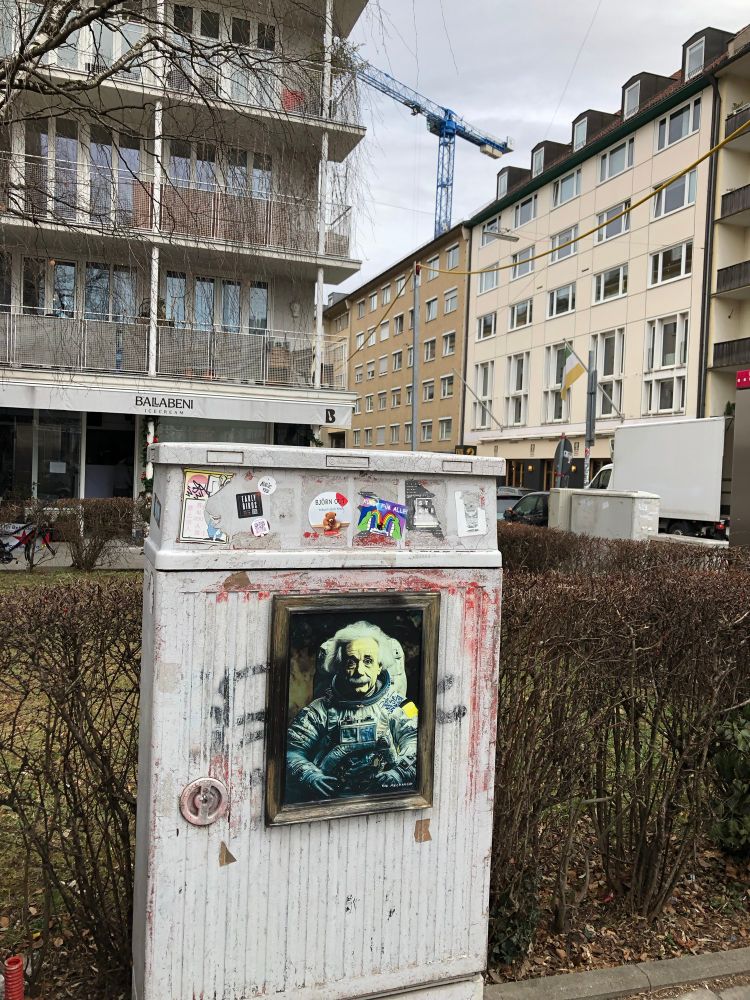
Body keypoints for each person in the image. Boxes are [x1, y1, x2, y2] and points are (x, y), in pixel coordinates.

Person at [286, 621, 418, 802]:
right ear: (339, 666)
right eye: (350, 662)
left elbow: (419, 741)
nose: (359, 671)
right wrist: (310, 776)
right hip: (330, 799)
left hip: (384, 799)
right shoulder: (320, 710)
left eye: (368, 661)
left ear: (380, 666)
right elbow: (292, 751)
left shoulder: (397, 705)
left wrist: (398, 773)